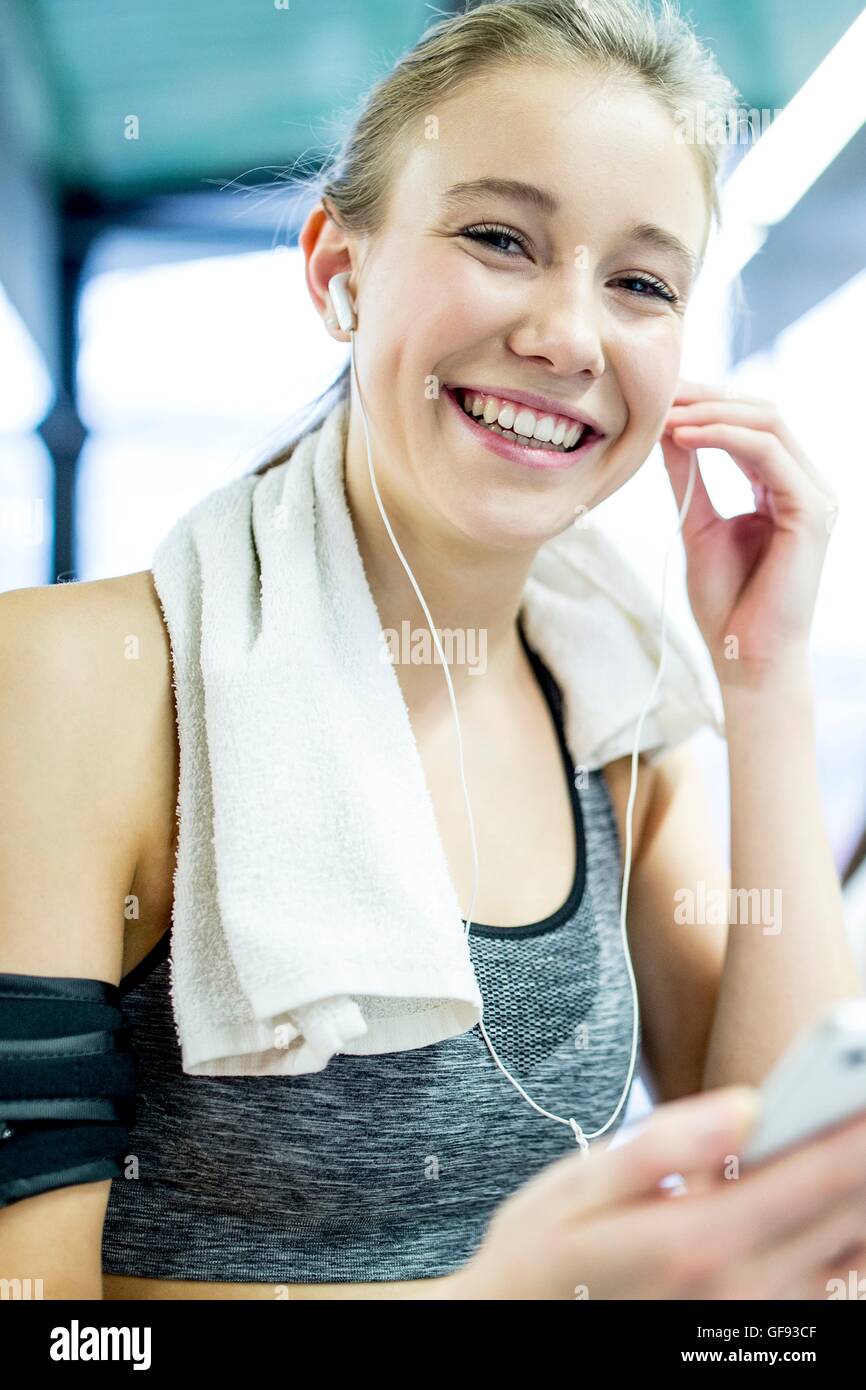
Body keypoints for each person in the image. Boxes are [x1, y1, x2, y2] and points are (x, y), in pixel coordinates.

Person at [2, 0, 866, 1302]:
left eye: (639, 282)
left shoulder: (621, 724)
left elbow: (782, 1198)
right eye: (498, 238)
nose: (568, 336)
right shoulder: (79, 686)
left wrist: (763, 677)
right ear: (335, 271)